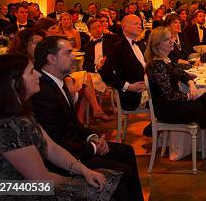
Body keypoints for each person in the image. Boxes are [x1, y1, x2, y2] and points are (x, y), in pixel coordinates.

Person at [0, 54, 121, 200]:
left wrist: (84, 171)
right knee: (106, 190)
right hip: (10, 192)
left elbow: (52, 148)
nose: (38, 74)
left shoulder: (22, 114)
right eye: (31, 71)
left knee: (111, 183)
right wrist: (74, 182)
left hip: (35, 185)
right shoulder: (7, 126)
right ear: (14, 83)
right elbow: (41, 181)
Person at [31, 37, 143, 200]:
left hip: (75, 145)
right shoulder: (44, 93)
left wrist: (93, 137)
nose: (74, 57)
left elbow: (74, 124)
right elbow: (56, 143)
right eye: (68, 53)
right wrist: (92, 147)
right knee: (123, 173)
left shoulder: (58, 83)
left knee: (126, 151)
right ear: (51, 58)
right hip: (64, 159)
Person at [145, 27, 206, 167]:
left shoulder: (165, 60)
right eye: (167, 39)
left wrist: (190, 83)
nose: (172, 41)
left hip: (175, 105)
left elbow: (182, 74)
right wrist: (192, 96)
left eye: (171, 38)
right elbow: (170, 96)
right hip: (169, 111)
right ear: (157, 44)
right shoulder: (156, 65)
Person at [100, 14, 147, 111]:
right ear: (124, 27)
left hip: (148, 89)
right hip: (132, 95)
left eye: (140, 24)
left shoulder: (142, 45)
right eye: (135, 24)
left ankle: (159, 125)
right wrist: (128, 86)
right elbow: (106, 74)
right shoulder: (117, 48)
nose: (139, 26)